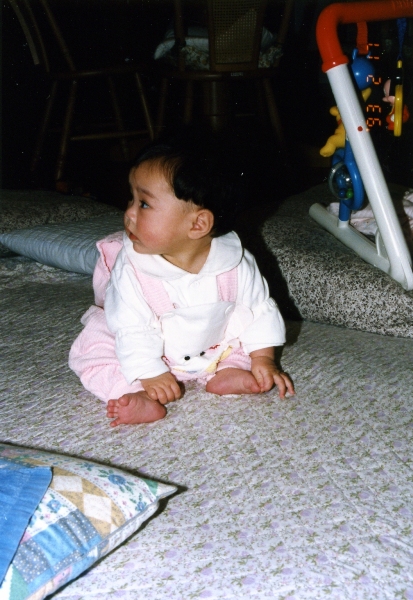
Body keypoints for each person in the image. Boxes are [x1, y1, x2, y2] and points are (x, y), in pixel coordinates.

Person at [69, 128, 294, 427]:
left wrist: (262, 358)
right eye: (132, 199)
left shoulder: (235, 262)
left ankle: (228, 371)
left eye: (144, 204)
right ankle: (134, 393)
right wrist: (149, 372)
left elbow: (258, 310)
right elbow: (131, 326)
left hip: (213, 345)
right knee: (93, 352)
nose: (129, 213)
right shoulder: (132, 267)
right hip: (145, 347)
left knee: (242, 337)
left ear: (198, 223)